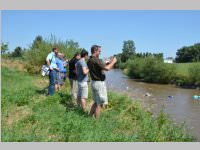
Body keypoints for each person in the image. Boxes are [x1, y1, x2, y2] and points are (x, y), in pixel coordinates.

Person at [87, 45, 117, 119]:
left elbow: (101, 67)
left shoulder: (90, 60)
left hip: (94, 83)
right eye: (99, 51)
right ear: (95, 51)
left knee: (95, 102)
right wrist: (113, 62)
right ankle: (97, 123)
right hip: (99, 84)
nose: (100, 53)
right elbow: (107, 68)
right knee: (99, 104)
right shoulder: (97, 60)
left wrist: (108, 62)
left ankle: (89, 117)